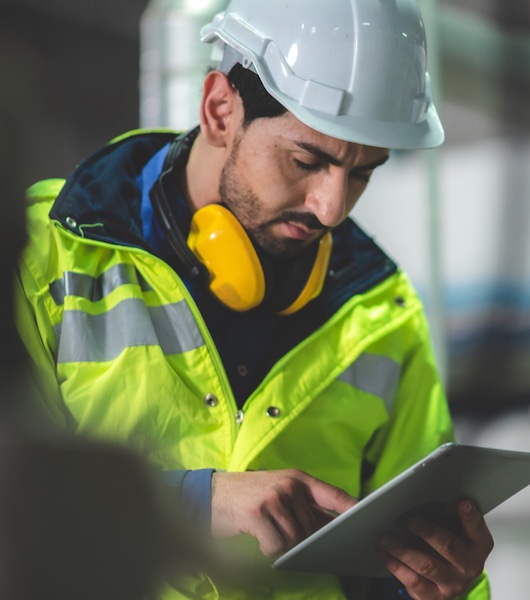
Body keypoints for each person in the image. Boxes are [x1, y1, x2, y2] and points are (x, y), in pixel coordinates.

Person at [14, 0, 494, 598]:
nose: (331, 208)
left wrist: (444, 585)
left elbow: (399, 572)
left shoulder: (381, 314)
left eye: (363, 172)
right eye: (306, 160)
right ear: (220, 110)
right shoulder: (44, 256)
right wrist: (196, 501)